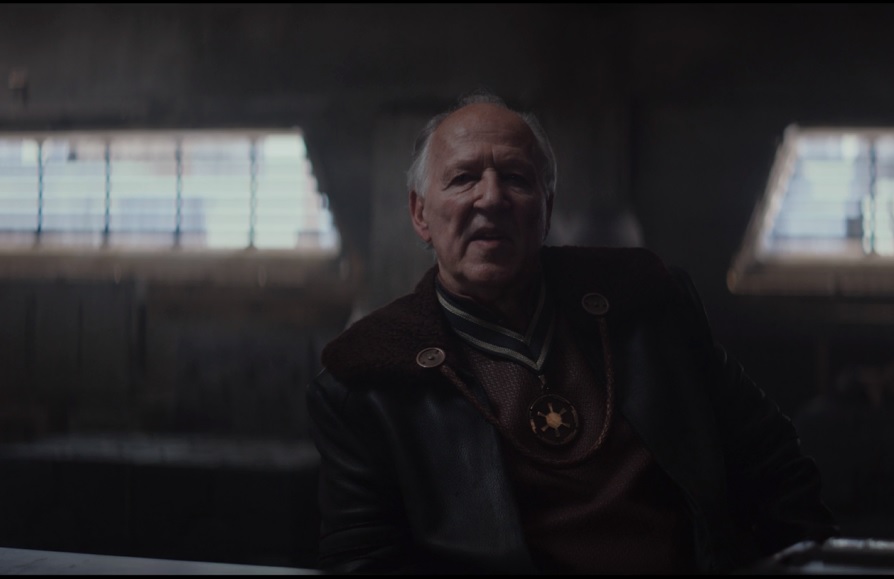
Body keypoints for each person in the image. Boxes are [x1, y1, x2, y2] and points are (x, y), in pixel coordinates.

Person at [306, 91, 837, 574]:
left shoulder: (648, 304)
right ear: (420, 213)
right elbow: (362, 562)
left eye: (517, 178)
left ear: (547, 209)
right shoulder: (366, 379)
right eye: (464, 178)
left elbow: (774, 463)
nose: (492, 197)